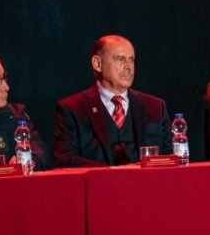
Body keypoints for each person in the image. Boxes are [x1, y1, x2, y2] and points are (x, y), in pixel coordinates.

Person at [53, 35, 171, 166]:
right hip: (98, 184)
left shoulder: (155, 107)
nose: (128, 67)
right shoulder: (72, 108)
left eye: (131, 60)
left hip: (146, 184)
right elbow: (65, 159)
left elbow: (170, 157)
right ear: (97, 64)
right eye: (120, 59)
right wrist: (110, 173)